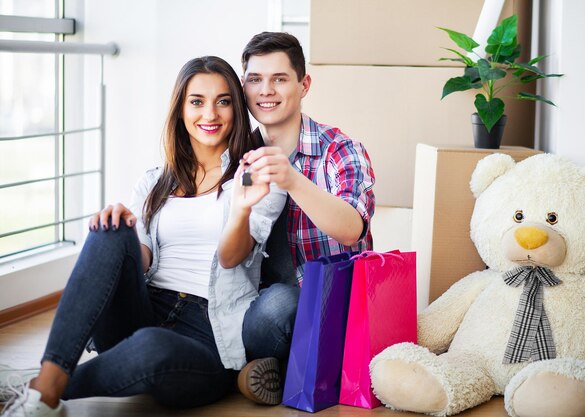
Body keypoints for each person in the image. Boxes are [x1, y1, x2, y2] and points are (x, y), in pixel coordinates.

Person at [0, 56, 286, 417]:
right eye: (197, 101)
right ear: (181, 109)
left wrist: (242, 207)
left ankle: (41, 386)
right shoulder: (154, 181)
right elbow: (144, 256)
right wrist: (119, 233)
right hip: (144, 308)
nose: (210, 114)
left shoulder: (257, 175)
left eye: (223, 101)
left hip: (206, 337)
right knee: (110, 228)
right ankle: (45, 385)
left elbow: (231, 257)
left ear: (236, 109)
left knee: (152, 345)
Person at [236, 32, 376, 405]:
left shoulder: (339, 150)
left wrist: (291, 178)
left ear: (303, 84)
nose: (266, 90)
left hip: (325, 303)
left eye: (279, 79)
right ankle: (282, 369)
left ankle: (282, 369)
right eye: (255, 80)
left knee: (279, 305)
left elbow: (351, 229)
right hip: (255, 301)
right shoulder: (240, 154)